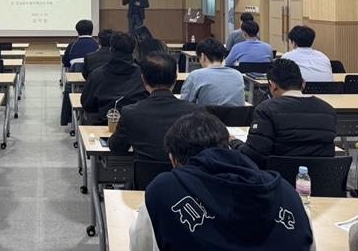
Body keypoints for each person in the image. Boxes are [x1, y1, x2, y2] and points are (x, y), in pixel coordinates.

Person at [129, 111, 315, 251]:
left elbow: (140, 244)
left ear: (173, 160)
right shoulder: (285, 191)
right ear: (227, 146)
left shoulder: (163, 191)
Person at [230, 58, 336, 167]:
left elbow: (253, 156)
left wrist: (234, 142)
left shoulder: (266, 109)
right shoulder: (328, 111)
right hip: (322, 176)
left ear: (272, 85)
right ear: (303, 83)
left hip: (278, 176)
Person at [109, 53, 197, 161]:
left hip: (144, 172)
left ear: (143, 79)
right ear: (175, 78)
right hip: (183, 171)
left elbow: (116, 147)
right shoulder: (194, 111)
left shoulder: (130, 112)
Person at [81, 31, 148, 124]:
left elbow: (87, 105)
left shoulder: (96, 75)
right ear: (133, 50)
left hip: (103, 126)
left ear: (111, 49)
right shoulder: (144, 75)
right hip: (137, 125)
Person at [180, 38, 245, 106]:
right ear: (223, 57)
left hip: (206, 113)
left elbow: (185, 104)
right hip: (235, 113)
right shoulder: (238, 75)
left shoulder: (195, 75)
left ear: (203, 56)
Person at [60, 19, 98, 126]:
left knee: (69, 89)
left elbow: (66, 63)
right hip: (95, 82)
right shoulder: (97, 45)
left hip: (75, 80)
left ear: (77, 31)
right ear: (92, 30)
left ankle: (67, 119)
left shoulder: (72, 45)